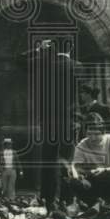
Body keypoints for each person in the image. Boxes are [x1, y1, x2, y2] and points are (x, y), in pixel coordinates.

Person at [20, 38, 79, 206]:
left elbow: (19, 60)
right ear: (71, 47)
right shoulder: (78, 67)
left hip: (49, 122)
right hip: (70, 121)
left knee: (48, 161)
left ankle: (48, 200)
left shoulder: (43, 64)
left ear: (53, 47)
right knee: (67, 160)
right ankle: (67, 201)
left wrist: (38, 50)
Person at [65, 113, 110, 204]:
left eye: (96, 134)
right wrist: (77, 174)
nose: (92, 138)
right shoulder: (82, 145)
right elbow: (76, 167)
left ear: (103, 132)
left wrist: (105, 170)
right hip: (94, 182)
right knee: (74, 182)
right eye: (89, 134)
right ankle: (95, 204)